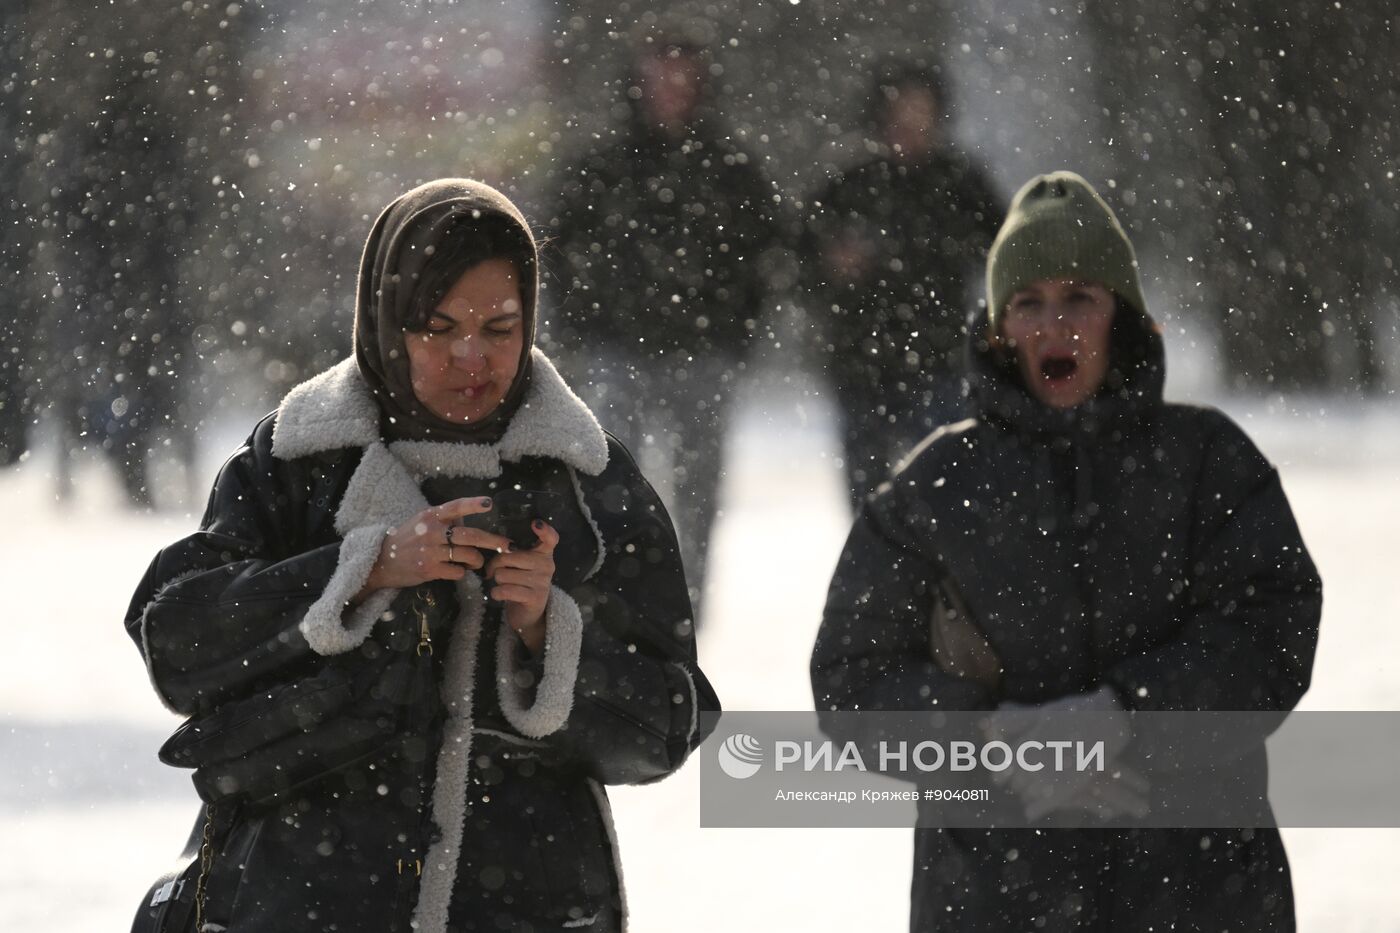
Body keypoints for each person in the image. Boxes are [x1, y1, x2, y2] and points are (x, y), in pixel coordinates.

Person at [125, 179, 720, 932]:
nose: (471, 356)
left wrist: (548, 629)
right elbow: (177, 638)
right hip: (300, 898)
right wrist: (363, 566)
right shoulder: (298, 458)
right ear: (385, 323)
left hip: (526, 904)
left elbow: (672, 724)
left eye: (501, 327)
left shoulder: (587, 480)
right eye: (437, 327)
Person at [811, 171, 1321, 931]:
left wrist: (1125, 715)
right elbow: (853, 682)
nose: (1055, 324)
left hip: (1197, 883)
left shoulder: (1208, 460)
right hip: (993, 891)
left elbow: (1271, 631)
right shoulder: (934, 487)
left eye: (1080, 295)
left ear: (1124, 317)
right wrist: (995, 744)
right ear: (997, 331)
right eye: (1028, 302)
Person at [546, 24, 783, 613]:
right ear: (638, 83)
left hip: (705, 354)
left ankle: (683, 611)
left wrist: (737, 330)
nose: (670, 88)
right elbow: (557, 249)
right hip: (618, 350)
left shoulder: (731, 170)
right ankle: (617, 600)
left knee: (698, 493)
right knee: (610, 485)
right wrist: (583, 322)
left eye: (682, 76)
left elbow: (768, 254)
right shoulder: (602, 166)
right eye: (659, 75)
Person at [800, 61, 1003, 505]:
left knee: (945, 498)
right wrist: (833, 266)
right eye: (899, 109)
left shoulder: (961, 181)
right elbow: (798, 264)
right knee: (868, 502)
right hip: (861, 366)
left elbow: (1005, 253)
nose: (909, 122)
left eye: (920, 109)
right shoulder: (847, 180)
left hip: (940, 362)